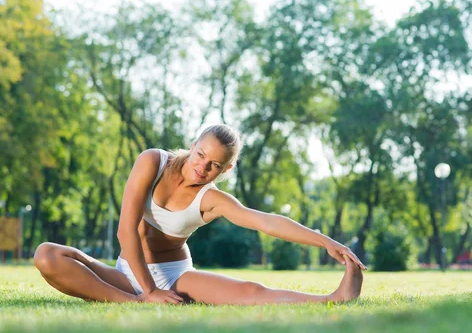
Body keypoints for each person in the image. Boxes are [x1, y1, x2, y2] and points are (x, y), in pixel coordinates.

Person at [33, 124, 366, 305]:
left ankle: (332, 299)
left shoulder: (212, 199)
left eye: (214, 165)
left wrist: (327, 242)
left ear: (227, 168)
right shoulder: (152, 162)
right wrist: (148, 293)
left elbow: (264, 221)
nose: (202, 166)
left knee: (251, 292)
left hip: (175, 275)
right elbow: (126, 232)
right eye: (200, 154)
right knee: (47, 255)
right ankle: (134, 302)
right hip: (126, 273)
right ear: (193, 144)